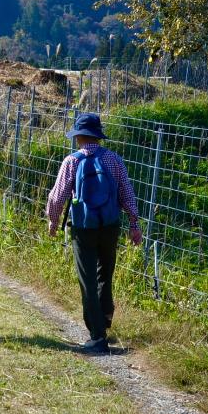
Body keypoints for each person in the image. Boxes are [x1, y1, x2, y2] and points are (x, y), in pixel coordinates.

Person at [45, 113, 142, 354]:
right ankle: (105, 319)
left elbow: (58, 196)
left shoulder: (72, 161)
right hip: (110, 225)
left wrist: (53, 221)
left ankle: (97, 336)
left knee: (87, 279)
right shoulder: (113, 159)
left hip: (83, 227)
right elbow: (126, 193)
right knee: (105, 274)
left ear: (78, 136)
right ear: (98, 136)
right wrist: (134, 224)